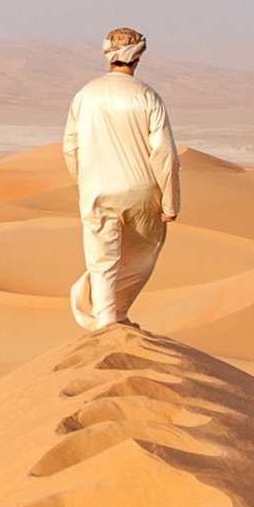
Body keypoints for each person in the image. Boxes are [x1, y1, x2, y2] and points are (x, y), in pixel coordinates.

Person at [63, 27, 181, 331]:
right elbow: (164, 153)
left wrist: (85, 181)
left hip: (98, 191)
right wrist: (170, 201)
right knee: (140, 257)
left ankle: (105, 320)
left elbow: (70, 147)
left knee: (102, 260)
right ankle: (115, 318)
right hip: (142, 192)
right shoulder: (147, 96)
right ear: (138, 56)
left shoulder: (85, 95)